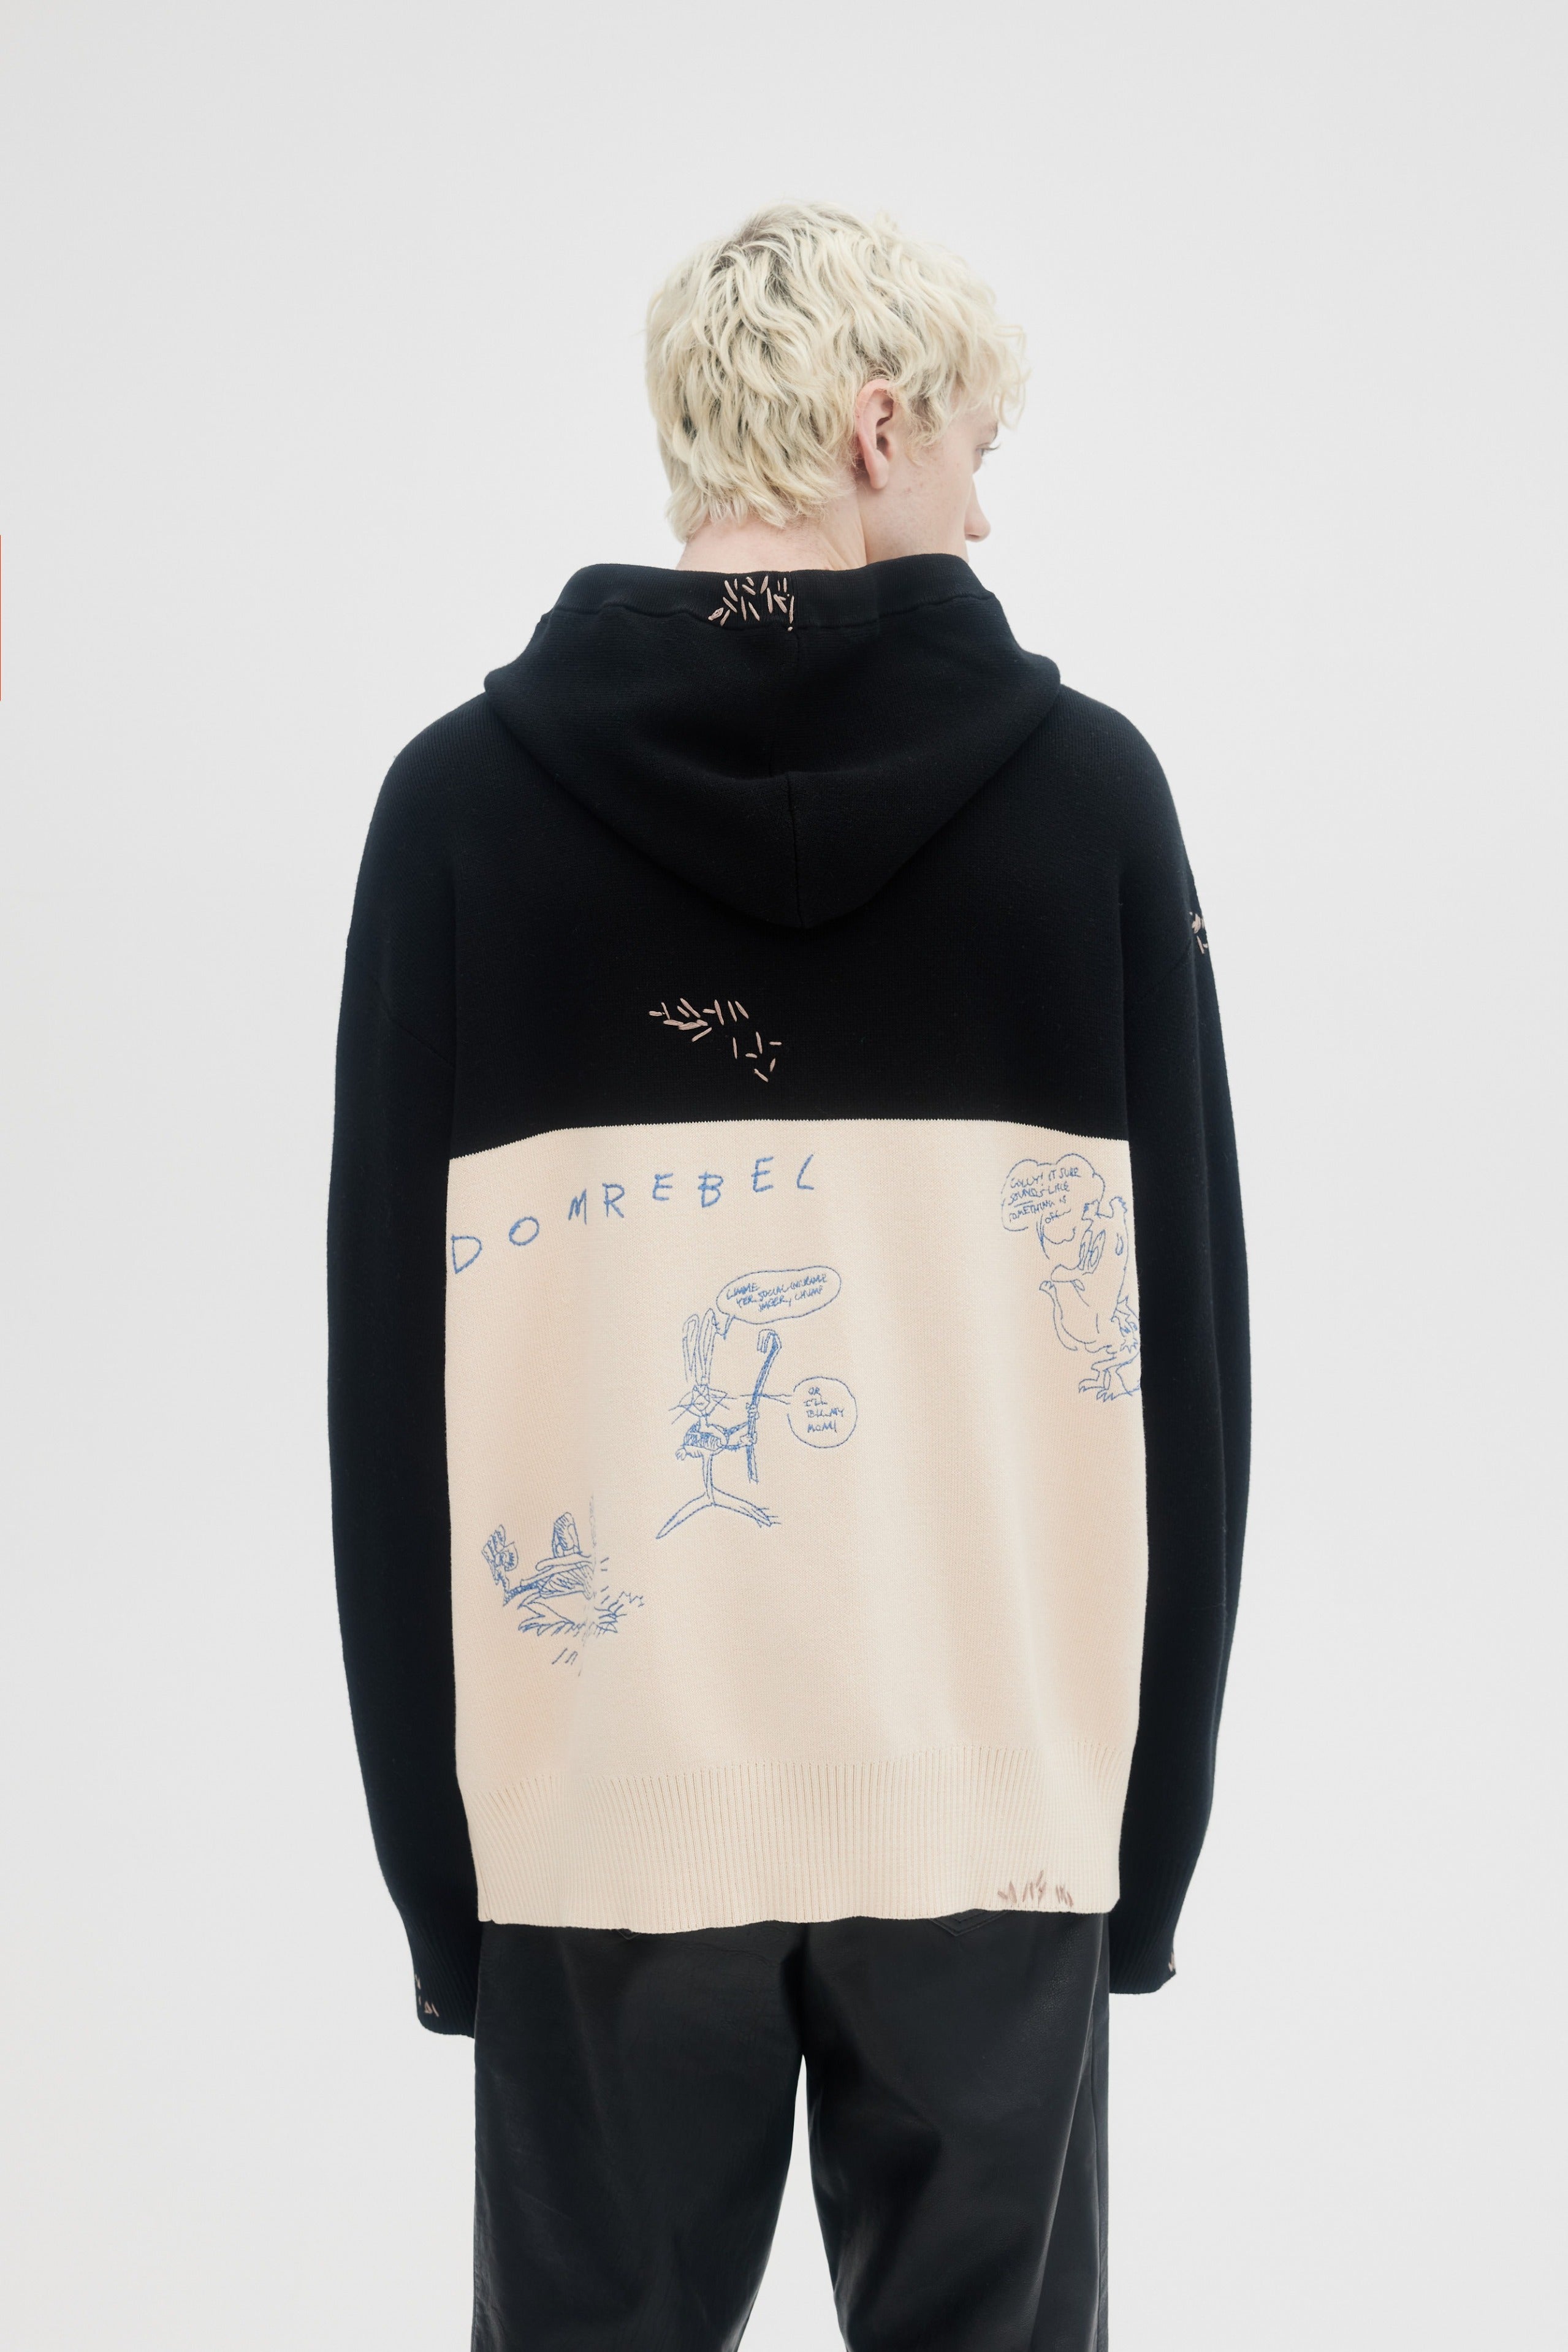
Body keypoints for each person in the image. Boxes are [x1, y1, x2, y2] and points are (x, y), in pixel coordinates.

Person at [327, 200, 1249, 2351]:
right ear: (875, 428)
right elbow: (1188, 1359)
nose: (985, 513)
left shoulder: (457, 810)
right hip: (992, 1788)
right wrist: (1149, 1829)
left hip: (599, 1808)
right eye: (974, 454)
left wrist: (443, 1878)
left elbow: (388, 1382)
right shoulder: (1089, 800)